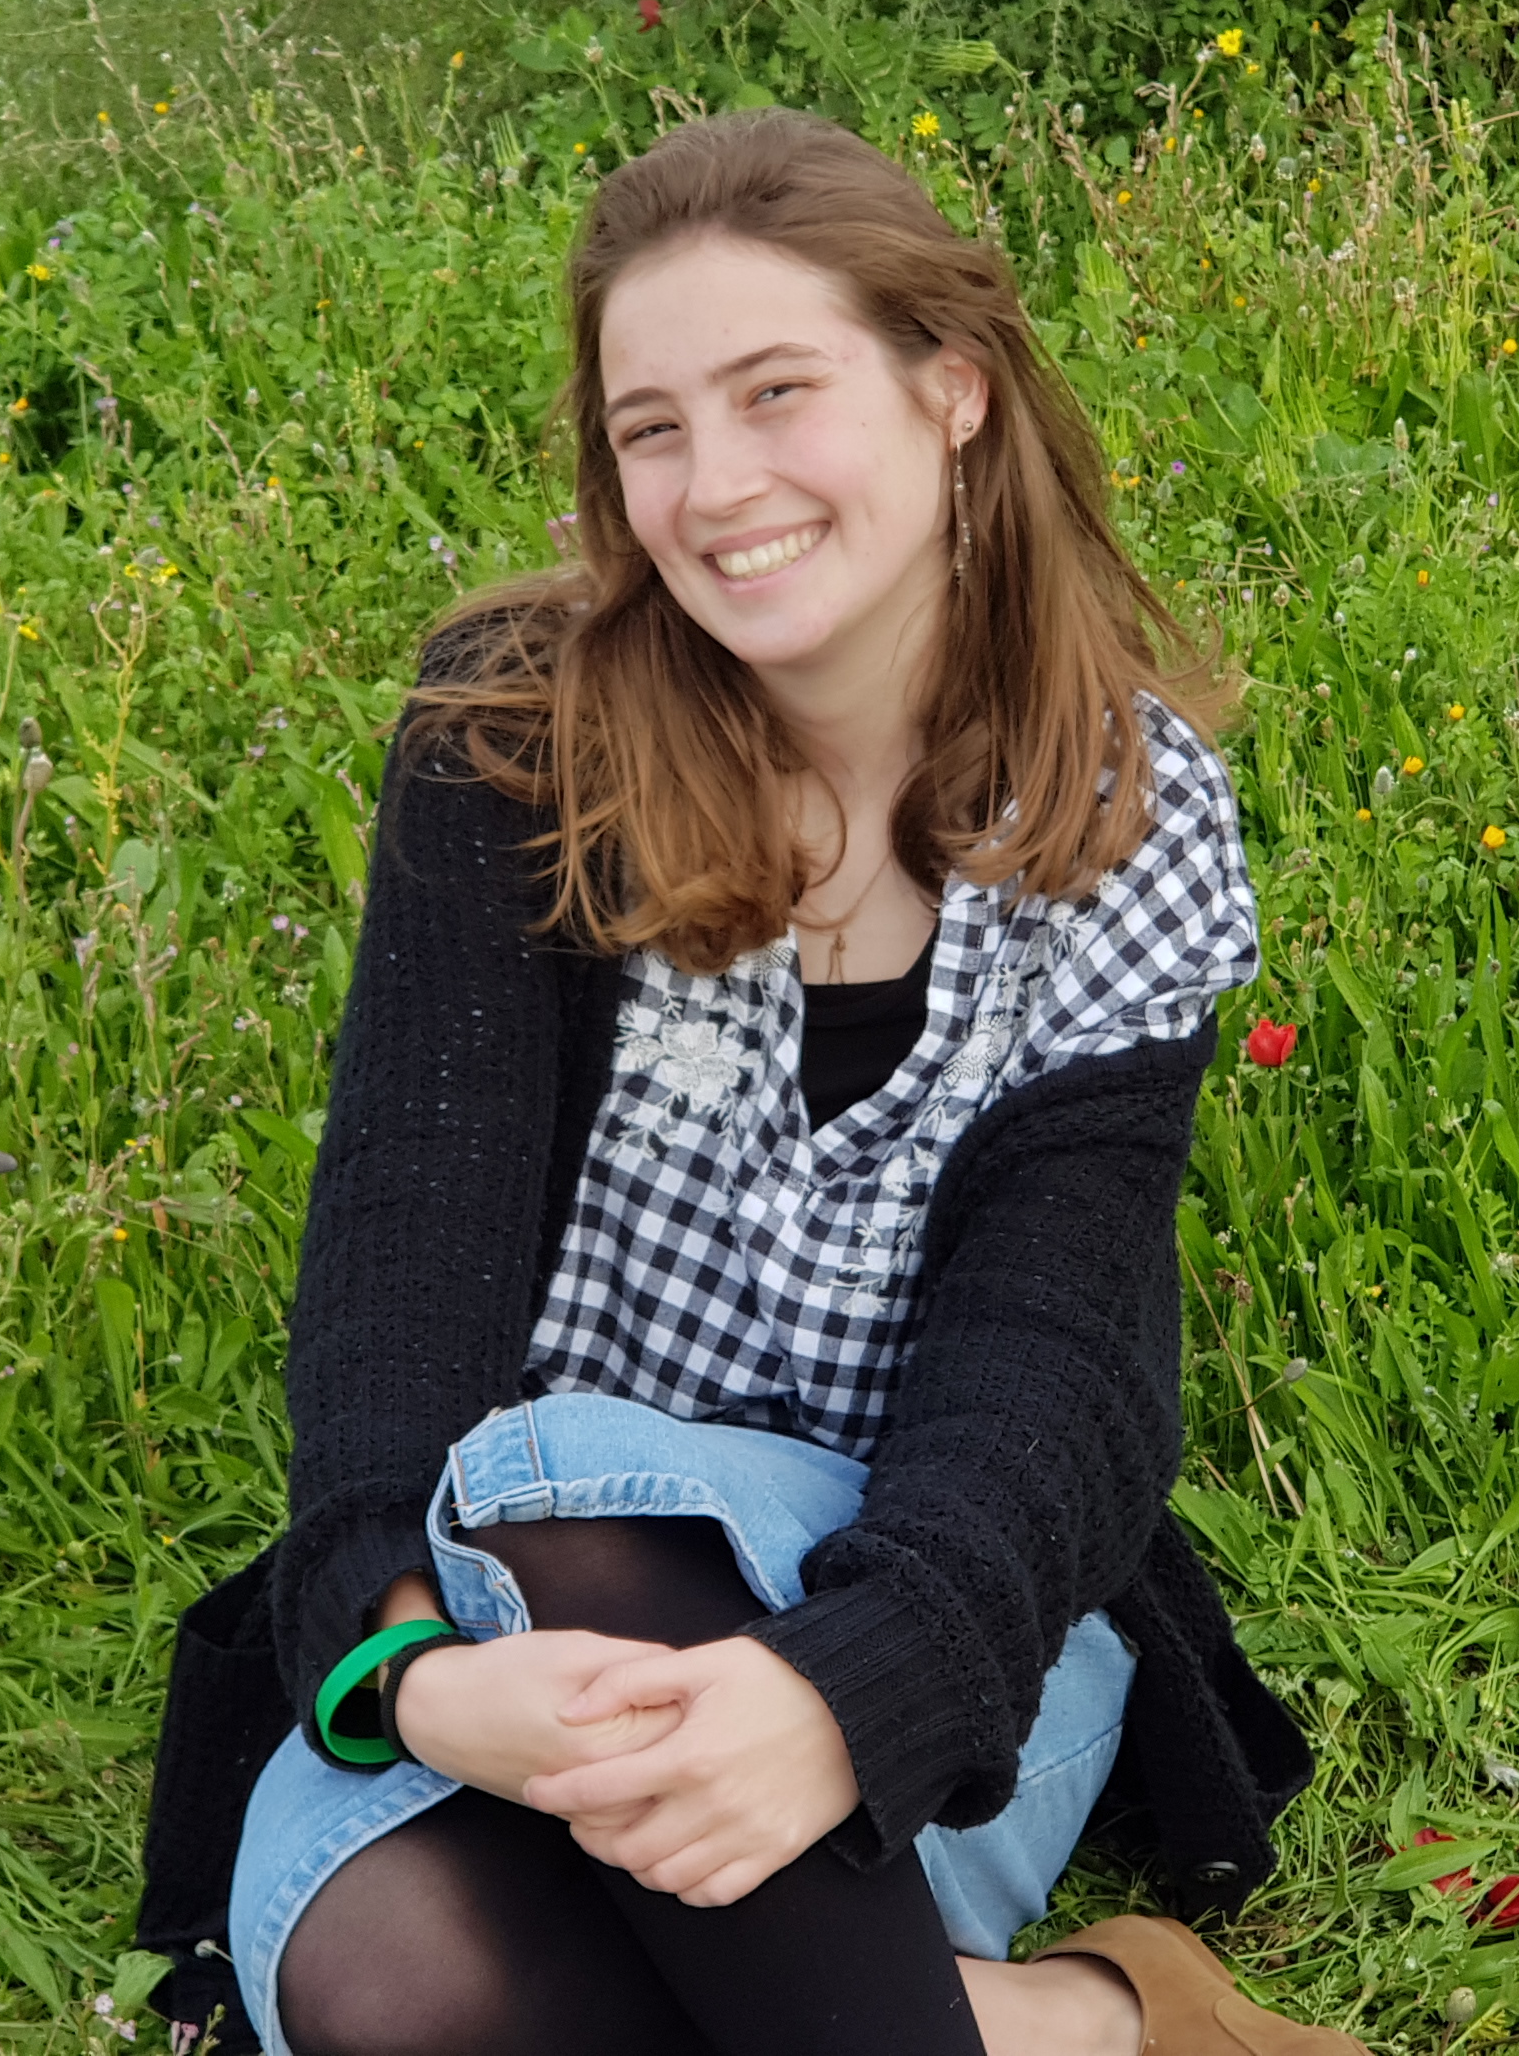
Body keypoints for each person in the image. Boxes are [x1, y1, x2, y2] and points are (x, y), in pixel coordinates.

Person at [136, 109, 1346, 2056]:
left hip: (940, 1624)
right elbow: (400, 1272)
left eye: (779, 392)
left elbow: (1061, 1363)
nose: (716, 487)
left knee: (553, 1490)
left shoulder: (1119, 813)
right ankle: (1089, 2028)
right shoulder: (516, 745)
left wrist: (838, 1698)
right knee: (397, 1985)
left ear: (951, 392)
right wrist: (415, 1672)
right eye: (654, 428)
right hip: (512, 1645)